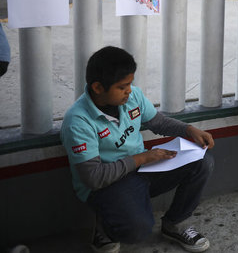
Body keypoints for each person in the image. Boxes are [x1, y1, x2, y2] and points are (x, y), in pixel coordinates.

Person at [60, 46, 215, 253]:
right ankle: (104, 226)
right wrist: (142, 158)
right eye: (122, 86)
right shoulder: (78, 121)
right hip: (107, 184)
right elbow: (93, 178)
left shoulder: (132, 98)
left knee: (202, 162)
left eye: (130, 84)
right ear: (98, 87)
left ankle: (174, 223)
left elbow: (158, 122)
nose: (130, 90)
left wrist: (188, 129)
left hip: (142, 169)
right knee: (137, 232)